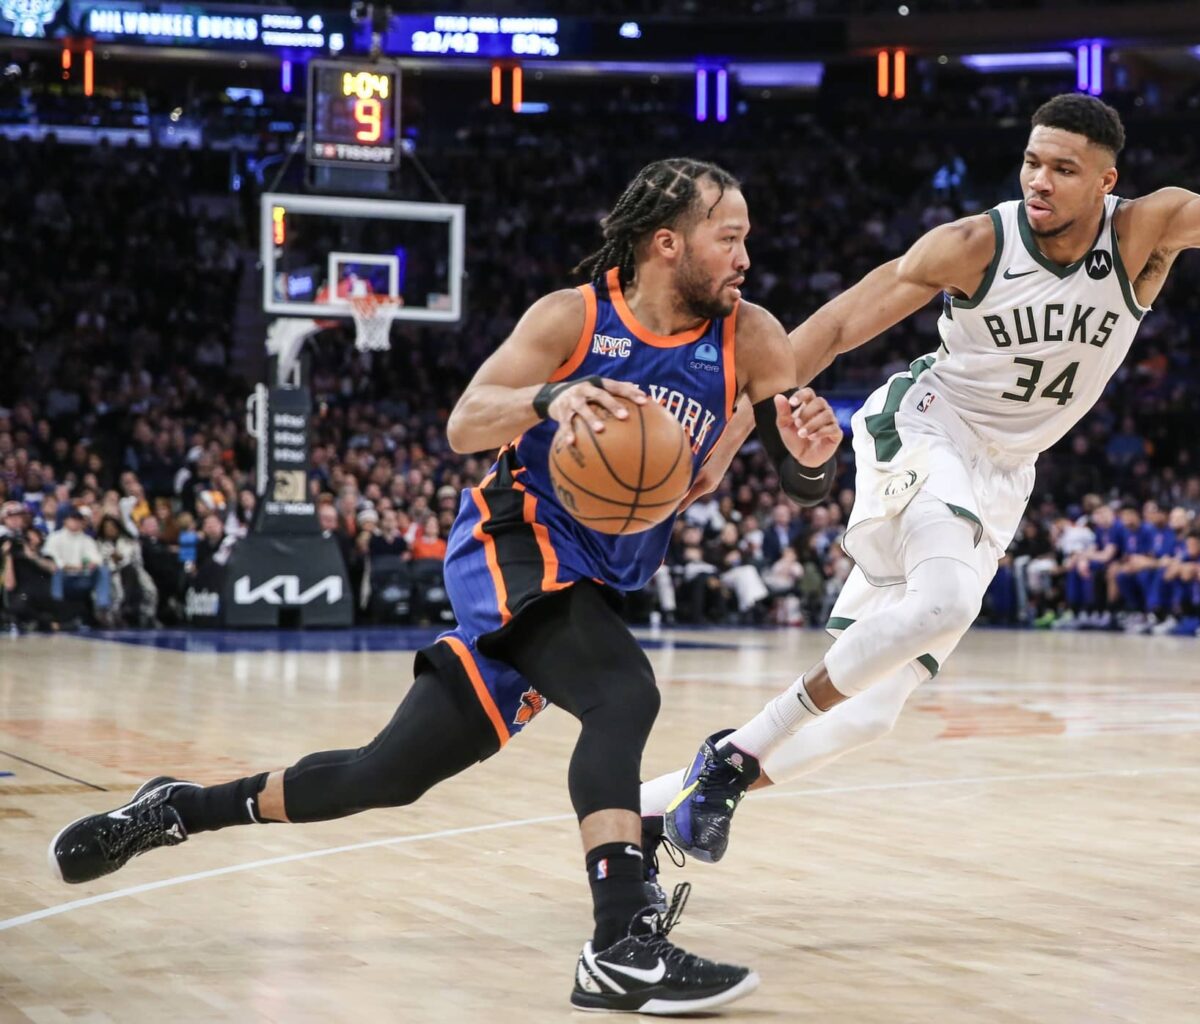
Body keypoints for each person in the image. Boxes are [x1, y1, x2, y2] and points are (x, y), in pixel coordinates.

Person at [48, 157, 843, 1016]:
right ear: (667, 244)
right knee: (623, 694)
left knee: (383, 774)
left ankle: (176, 810)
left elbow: (801, 474)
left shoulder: (751, 337)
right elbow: (466, 422)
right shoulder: (573, 317)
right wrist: (551, 398)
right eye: (729, 238)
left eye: (746, 240)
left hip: (592, 580)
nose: (745, 257)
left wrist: (811, 458)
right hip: (513, 541)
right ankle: (620, 944)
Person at [643, 12, 1200, 864]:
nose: (1040, 180)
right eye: (1032, 161)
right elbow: (833, 328)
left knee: (871, 714)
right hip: (926, 427)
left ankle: (643, 808)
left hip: (1004, 475)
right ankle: (733, 761)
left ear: (1106, 181)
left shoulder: (1144, 233)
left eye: (1063, 168)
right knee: (947, 602)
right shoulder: (973, 245)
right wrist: (730, 439)